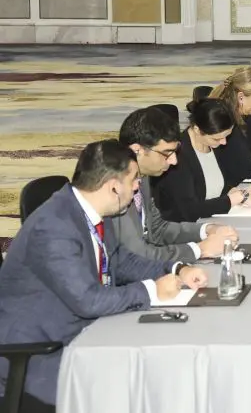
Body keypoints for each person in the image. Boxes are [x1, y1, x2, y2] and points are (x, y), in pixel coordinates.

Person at [0, 141, 207, 409]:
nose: (137, 187)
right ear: (113, 187)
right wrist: (152, 291)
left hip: (85, 333)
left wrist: (176, 269)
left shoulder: (91, 211)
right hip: (40, 355)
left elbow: (120, 260)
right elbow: (89, 301)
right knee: (148, 384)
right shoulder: (53, 227)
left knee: (162, 369)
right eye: (134, 180)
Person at [113, 107, 239, 264]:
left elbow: (158, 229)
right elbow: (137, 255)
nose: (174, 161)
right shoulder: (114, 189)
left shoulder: (142, 178)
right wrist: (199, 249)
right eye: (166, 153)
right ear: (137, 150)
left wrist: (206, 229)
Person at [152, 99, 251, 222]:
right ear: (197, 130)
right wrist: (233, 199)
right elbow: (189, 210)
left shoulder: (213, 146)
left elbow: (217, 186)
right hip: (185, 226)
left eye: (226, 136)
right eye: (217, 138)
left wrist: (240, 193)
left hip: (212, 220)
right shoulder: (178, 156)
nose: (224, 142)